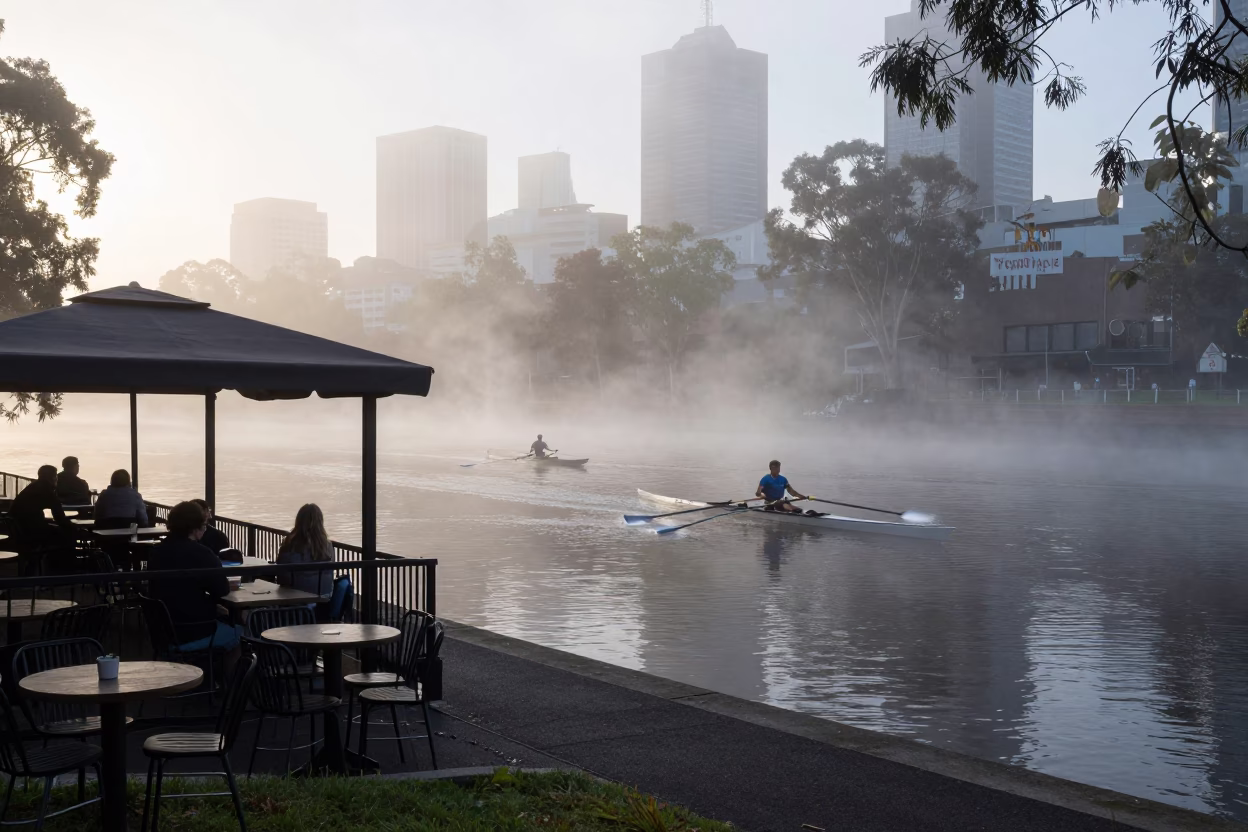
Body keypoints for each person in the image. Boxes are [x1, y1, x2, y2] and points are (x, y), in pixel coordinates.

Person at [148, 501, 238, 650]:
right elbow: (222, 589)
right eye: (204, 525)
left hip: (162, 630)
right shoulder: (202, 553)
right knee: (240, 634)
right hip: (193, 630)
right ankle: (227, 673)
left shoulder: (156, 551)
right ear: (195, 528)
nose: (204, 529)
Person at [275, 503, 334, 598]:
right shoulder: (328, 546)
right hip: (323, 597)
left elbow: (281, 575)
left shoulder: (290, 545)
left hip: (295, 599)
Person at [9, 465, 74, 546]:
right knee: (66, 533)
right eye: (56, 476)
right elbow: (59, 516)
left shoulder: (33, 486)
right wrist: (72, 527)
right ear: (52, 477)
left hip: (19, 529)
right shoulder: (47, 490)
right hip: (32, 531)